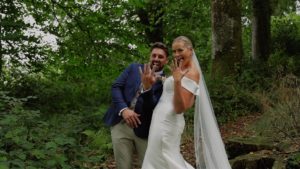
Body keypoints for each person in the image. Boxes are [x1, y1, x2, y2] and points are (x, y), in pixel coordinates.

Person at [141, 36, 231, 169]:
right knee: (158, 160)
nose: (176, 55)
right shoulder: (181, 69)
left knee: (165, 160)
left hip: (167, 124)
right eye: (174, 51)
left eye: (180, 50)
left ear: (190, 50)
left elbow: (180, 108)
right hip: (159, 121)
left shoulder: (192, 73)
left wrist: (176, 82)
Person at [103, 42, 169, 169]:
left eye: (160, 57)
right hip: (121, 123)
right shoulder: (133, 68)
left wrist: (147, 88)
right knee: (123, 165)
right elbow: (116, 87)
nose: (156, 59)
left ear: (166, 60)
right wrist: (124, 110)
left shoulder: (167, 83)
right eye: (154, 55)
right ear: (150, 56)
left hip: (144, 128)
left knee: (147, 165)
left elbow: (153, 106)